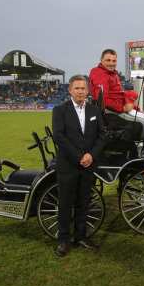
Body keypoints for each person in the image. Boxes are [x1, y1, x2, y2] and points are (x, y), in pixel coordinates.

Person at [52, 75, 107, 257]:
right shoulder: (60, 110)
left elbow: (102, 135)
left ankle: (81, 237)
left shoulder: (94, 110)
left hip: (88, 165)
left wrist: (91, 155)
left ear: (87, 90)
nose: (80, 91)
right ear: (70, 90)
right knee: (66, 203)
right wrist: (79, 157)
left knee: (84, 203)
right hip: (68, 165)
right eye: (77, 88)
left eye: (83, 88)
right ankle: (63, 240)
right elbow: (59, 137)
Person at [88, 49, 144, 140]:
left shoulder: (113, 74)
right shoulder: (99, 73)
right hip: (109, 112)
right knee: (141, 125)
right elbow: (103, 99)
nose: (111, 63)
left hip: (117, 110)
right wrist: (122, 108)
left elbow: (120, 96)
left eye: (114, 61)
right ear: (101, 60)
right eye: (108, 60)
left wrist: (137, 109)